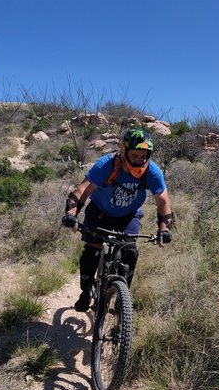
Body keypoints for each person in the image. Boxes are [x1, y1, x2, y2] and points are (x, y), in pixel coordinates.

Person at [63, 127, 174, 312]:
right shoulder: (106, 164)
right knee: (92, 251)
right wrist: (71, 215)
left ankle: (122, 296)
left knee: (130, 252)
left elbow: (163, 201)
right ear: (123, 152)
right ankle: (85, 292)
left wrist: (163, 228)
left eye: (143, 155)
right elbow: (82, 191)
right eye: (135, 155)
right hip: (100, 212)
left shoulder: (152, 172)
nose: (139, 160)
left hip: (128, 216)